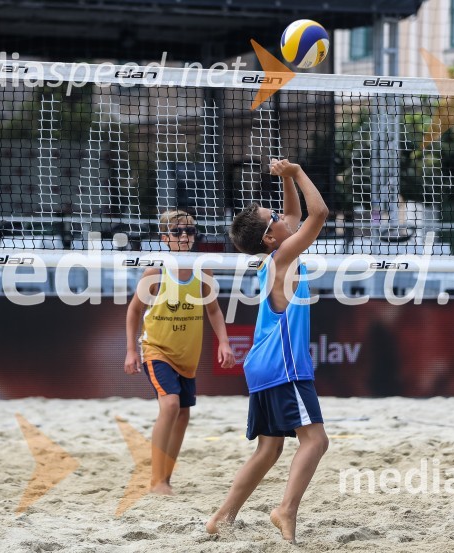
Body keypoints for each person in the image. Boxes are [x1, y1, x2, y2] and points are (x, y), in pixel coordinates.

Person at [206, 159, 330, 543]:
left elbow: (293, 214)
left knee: (269, 449)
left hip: (261, 364)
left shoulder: (275, 254)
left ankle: (221, 518)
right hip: (282, 365)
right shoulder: (281, 259)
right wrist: (296, 174)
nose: (280, 213)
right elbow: (319, 213)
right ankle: (285, 511)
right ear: (271, 239)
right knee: (316, 441)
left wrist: (286, 180)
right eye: (272, 215)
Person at [124, 209, 235, 495]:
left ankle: (166, 478)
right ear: (165, 238)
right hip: (156, 348)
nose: (184, 236)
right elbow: (135, 310)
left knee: (183, 414)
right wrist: (131, 350)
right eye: (177, 232)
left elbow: (213, 310)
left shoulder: (202, 269)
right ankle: (156, 481)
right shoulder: (156, 270)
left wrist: (223, 342)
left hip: (187, 355)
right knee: (171, 405)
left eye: (189, 231)